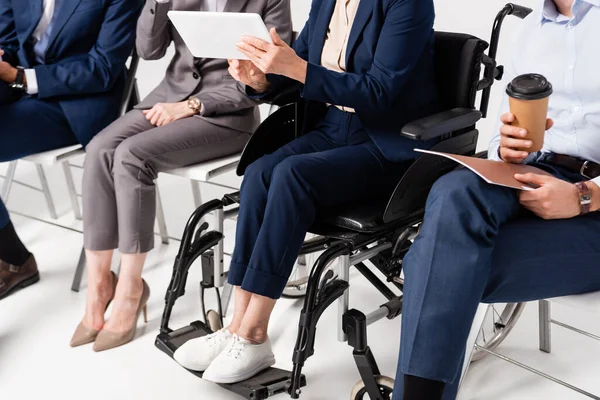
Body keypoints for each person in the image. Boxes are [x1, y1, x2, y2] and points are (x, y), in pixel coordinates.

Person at [174, 0, 441, 384]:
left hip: (385, 141)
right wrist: (260, 78)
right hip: (332, 127)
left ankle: (253, 333)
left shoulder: (407, 4)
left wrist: (295, 67)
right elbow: (296, 70)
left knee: (292, 176)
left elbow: (382, 90)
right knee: (260, 172)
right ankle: (235, 327)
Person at [393, 0, 600, 399]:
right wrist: (507, 149)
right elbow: (501, 133)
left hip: (593, 205)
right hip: (539, 174)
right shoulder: (529, 32)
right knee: (454, 190)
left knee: (433, 265)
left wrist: (584, 197)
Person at [73, 0, 293, 352]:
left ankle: (130, 288)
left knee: (131, 156)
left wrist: (193, 106)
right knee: (100, 150)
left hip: (226, 114)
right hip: (168, 97)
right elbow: (148, 49)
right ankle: (100, 287)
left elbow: (272, 72)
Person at [0, 0, 143, 301]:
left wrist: (20, 78)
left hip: (78, 102)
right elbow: (8, 41)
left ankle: (15, 260)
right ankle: (15, 258)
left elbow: (103, 67)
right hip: (17, 87)